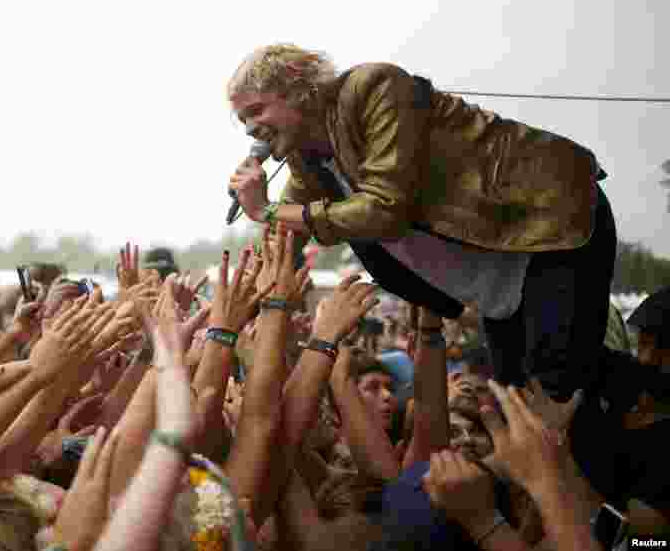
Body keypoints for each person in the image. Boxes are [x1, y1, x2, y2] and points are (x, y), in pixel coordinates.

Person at [224, 42, 662, 501]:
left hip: (548, 230)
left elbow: (384, 208)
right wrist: (251, 298)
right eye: (243, 121)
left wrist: (269, 210)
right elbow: (288, 233)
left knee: (554, 399)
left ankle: (635, 501)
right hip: (498, 280)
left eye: (257, 111)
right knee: (518, 408)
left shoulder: (373, 87)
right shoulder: (306, 160)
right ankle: (633, 424)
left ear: (298, 88)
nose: (252, 128)